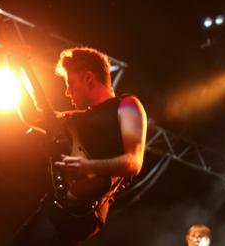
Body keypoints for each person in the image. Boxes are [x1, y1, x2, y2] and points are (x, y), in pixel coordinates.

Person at [10, 47, 147, 246]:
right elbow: (33, 116)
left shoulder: (126, 105)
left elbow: (133, 162)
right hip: (55, 205)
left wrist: (89, 166)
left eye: (70, 83)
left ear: (89, 79)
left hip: (83, 214)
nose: (67, 91)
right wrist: (17, 72)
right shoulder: (78, 118)